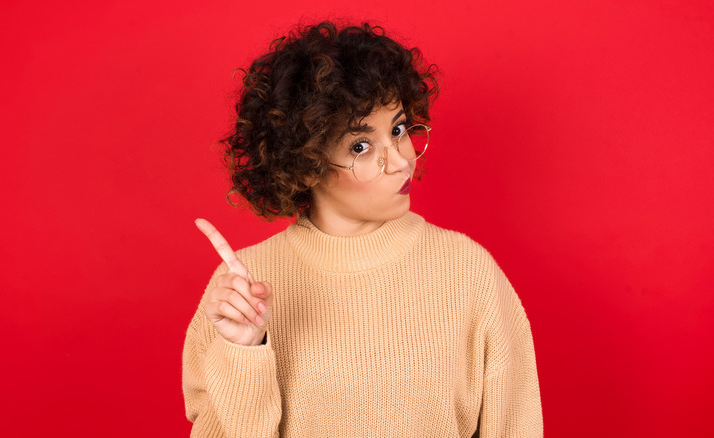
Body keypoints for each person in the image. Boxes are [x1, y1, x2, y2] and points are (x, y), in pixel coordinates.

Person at [183, 21, 542, 437]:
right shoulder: (243, 289)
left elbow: (516, 426)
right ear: (305, 165)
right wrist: (243, 352)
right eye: (360, 146)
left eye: (399, 129)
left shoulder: (468, 271)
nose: (402, 160)